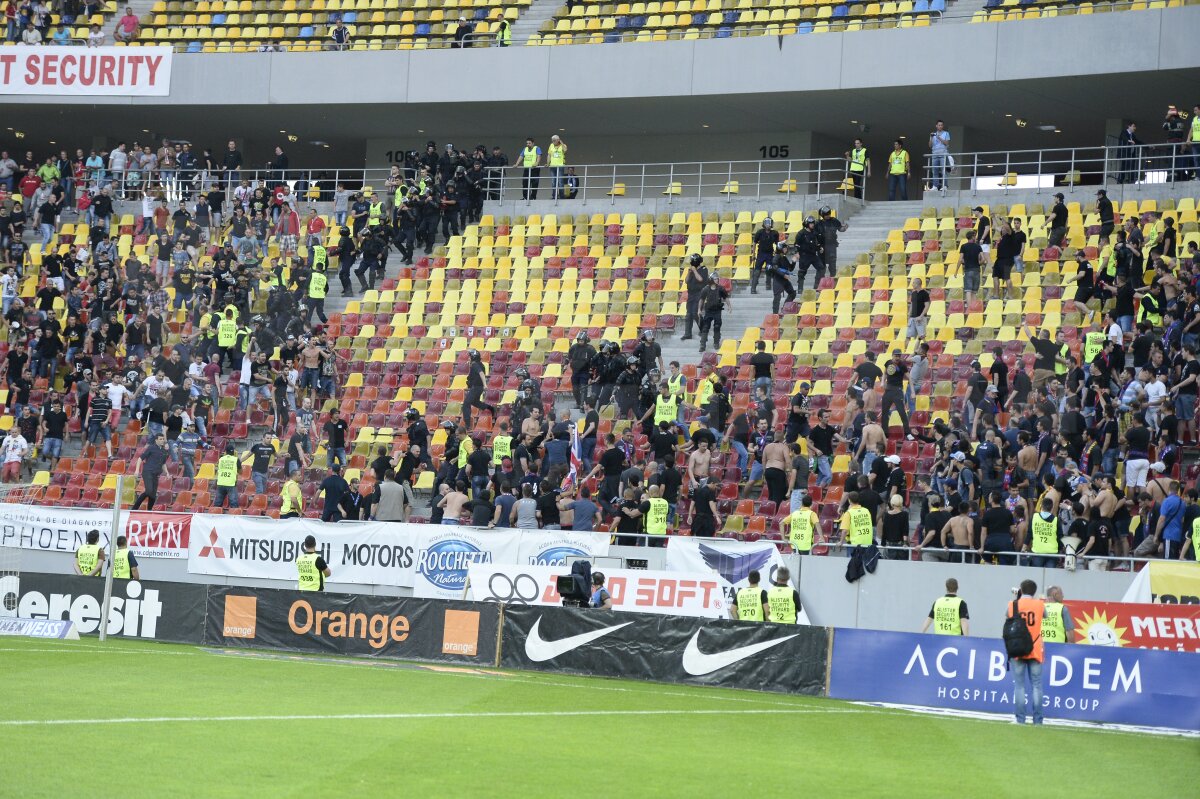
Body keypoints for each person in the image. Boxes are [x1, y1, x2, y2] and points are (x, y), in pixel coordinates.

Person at [1007, 579, 1045, 725]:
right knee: (1036, 685)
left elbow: (1008, 616)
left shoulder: (1013, 604)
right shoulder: (1040, 604)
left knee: (1019, 685)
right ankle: (1038, 720)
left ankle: (1020, 719)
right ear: (1034, 591)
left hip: (1017, 647)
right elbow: (1045, 615)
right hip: (1035, 648)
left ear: (1021, 589)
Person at [132, 432, 172, 510]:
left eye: (163, 439)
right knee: (149, 491)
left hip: (156, 474)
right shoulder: (151, 447)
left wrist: (167, 473)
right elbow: (140, 458)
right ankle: (134, 508)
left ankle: (149, 510)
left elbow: (163, 463)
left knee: (153, 494)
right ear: (156, 440)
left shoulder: (164, 451)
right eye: (160, 439)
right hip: (148, 472)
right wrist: (136, 470)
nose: (162, 440)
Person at [929, 120, 951, 192]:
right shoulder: (933, 134)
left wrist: (939, 138)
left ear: (943, 126)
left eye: (941, 125)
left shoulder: (946, 133)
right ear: (936, 126)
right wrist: (931, 137)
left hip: (943, 154)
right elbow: (930, 145)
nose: (940, 126)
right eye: (939, 125)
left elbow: (947, 143)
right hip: (935, 154)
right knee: (934, 171)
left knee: (943, 170)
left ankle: (945, 186)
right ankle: (935, 186)